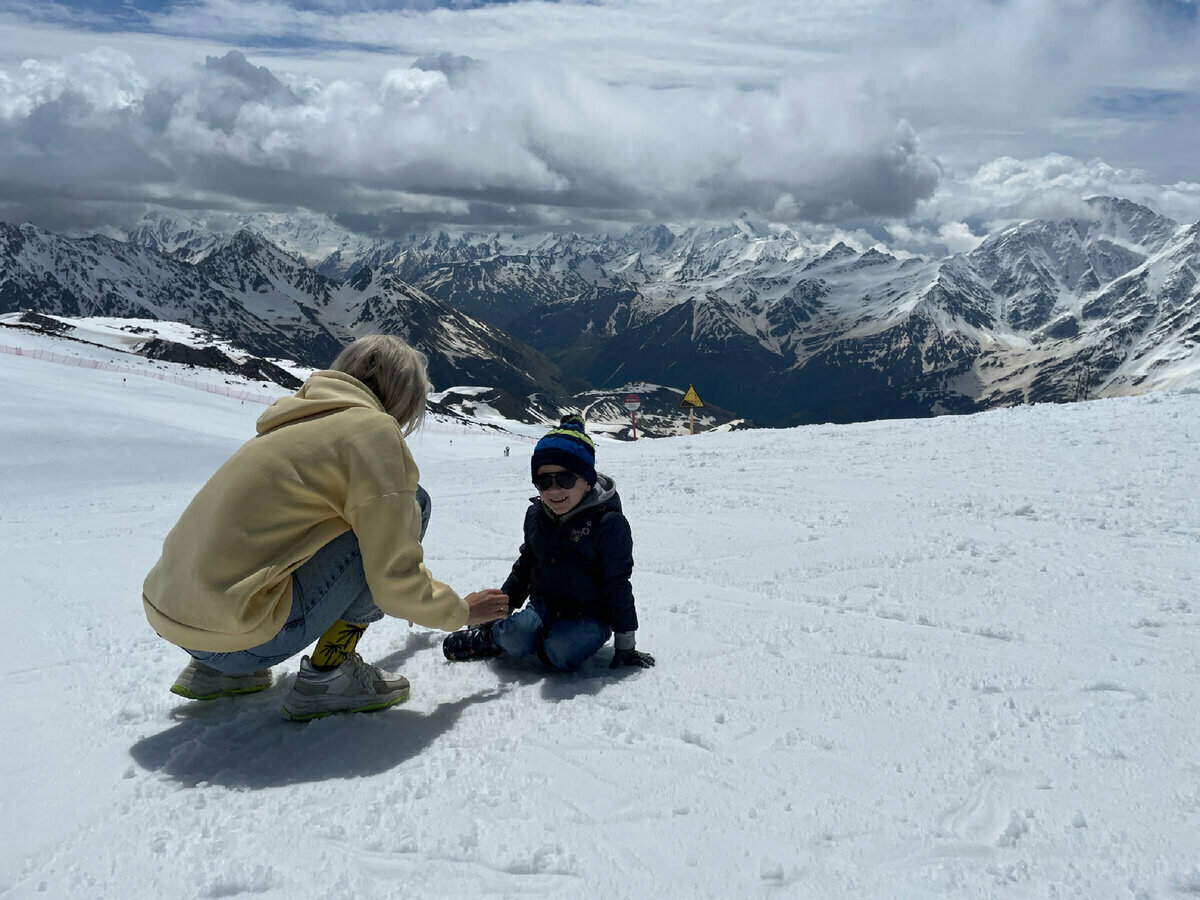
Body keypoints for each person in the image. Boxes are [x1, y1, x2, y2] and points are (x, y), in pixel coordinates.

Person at [142, 335, 509, 721]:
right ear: (403, 398)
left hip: (176, 622)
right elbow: (393, 581)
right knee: (414, 501)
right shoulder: (373, 431)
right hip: (240, 637)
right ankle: (330, 675)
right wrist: (462, 612)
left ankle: (216, 672)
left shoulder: (289, 422)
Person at [442, 415, 655, 672]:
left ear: (587, 481)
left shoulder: (608, 524)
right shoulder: (536, 515)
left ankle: (546, 643)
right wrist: (500, 610)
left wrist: (626, 644)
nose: (554, 490)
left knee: (560, 651)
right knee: (517, 637)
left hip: (591, 614)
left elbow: (617, 583)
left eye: (565, 479)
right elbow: (526, 566)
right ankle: (491, 636)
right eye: (544, 481)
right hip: (545, 604)